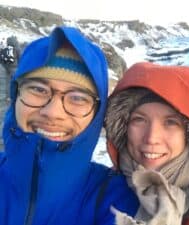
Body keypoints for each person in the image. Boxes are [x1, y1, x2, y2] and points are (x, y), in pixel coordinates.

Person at [0, 26, 138, 225]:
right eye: (38, 89)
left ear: (97, 113)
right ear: (16, 95)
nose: (53, 112)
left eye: (78, 98)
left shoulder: (116, 201)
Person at [105, 62, 189, 225]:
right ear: (124, 127)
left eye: (170, 122)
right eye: (139, 120)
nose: (151, 138)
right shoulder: (103, 187)